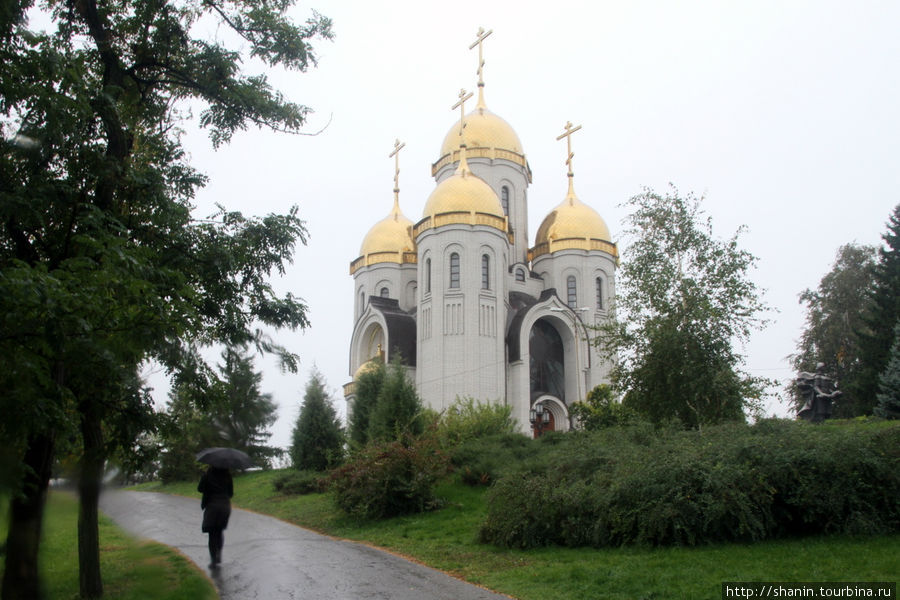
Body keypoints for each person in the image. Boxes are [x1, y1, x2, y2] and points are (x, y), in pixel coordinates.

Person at [198, 466, 233, 567]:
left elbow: (200, 489)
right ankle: (219, 555)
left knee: (212, 533)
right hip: (225, 507)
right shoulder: (228, 476)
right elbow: (230, 494)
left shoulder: (207, 475)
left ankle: (213, 560)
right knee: (219, 531)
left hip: (212, 507)